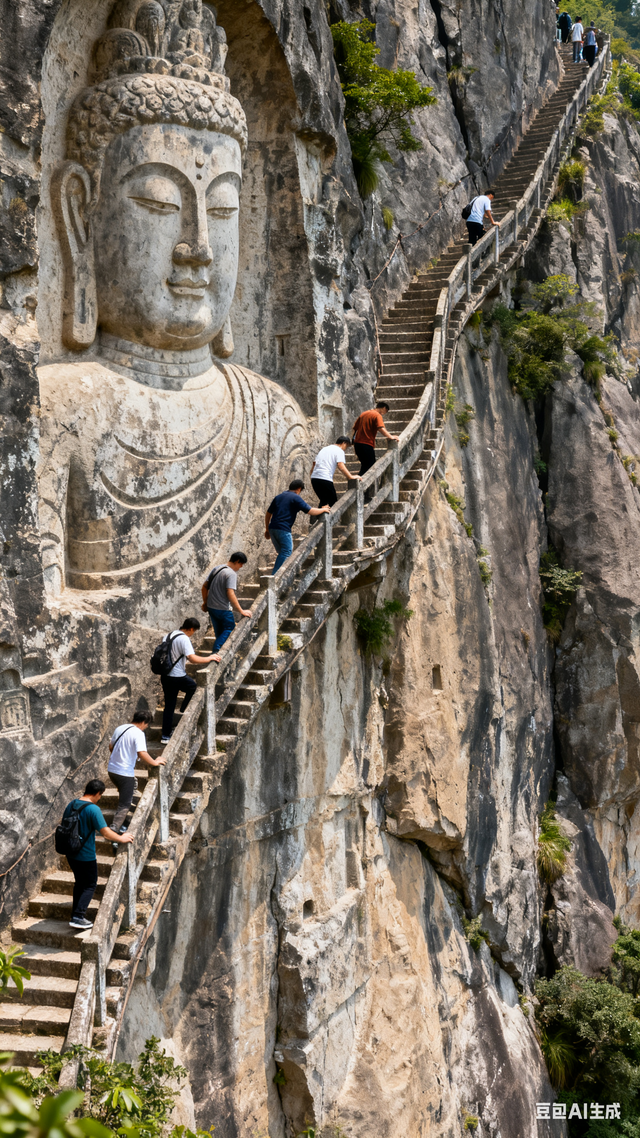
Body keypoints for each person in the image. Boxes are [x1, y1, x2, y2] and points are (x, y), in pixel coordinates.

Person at [63, 779, 133, 929]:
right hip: (85, 854)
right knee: (89, 884)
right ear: (97, 793)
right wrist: (121, 838)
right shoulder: (93, 809)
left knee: (80, 884)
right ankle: (78, 916)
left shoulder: (72, 804)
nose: (100, 798)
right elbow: (106, 833)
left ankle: (75, 915)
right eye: (101, 795)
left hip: (71, 852)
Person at [160, 618, 218, 744]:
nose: (193, 634)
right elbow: (192, 659)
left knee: (169, 706)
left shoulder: (168, 636)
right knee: (193, 687)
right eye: (194, 631)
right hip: (177, 675)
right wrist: (209, 658)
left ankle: (165, 736)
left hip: (165, 675)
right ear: (191, 629)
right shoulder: (184, 638)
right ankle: (184, 709)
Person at [108, 712, 165, 838]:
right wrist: (155, 762)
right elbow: (142, 753)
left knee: (129, 794)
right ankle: (114, 830)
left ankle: (125, 823)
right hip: (124, 773)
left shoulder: (120, 728)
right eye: (147, 725)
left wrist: (120, 756)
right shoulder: (139, 733)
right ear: (145, 722)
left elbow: (111, 746)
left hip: (112, 770)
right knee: (125, 803)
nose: (146, 727)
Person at [265, 481, 330, 574]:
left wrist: (267, 529)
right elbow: (310, 511)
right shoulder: (295, 497)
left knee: (282, 553)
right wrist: (323, 509)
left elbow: (268, 513)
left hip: (272, 528)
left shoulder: (278, 497)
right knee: (287, 552)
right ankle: (274, 577)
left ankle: (282, 575)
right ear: (299, 489)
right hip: (283, 529)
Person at [201, 553, 251, 657]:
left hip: (211, 608)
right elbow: (230, 593)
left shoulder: (217, 569)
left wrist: (205, 603)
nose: (241, 567)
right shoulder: (231, 573)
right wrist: (241, 611)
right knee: (230, 628)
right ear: (237, 561)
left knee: (219, 633)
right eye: (241, 564)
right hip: (223, 608)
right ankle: (215, 651)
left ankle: (219, 655)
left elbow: (204, 587)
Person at [310, 437, 360, 512]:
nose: (345, 449)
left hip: (315, 478)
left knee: (324, 501)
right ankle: (323, 522)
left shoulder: (324, 449)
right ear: (344, 443)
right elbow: (340, 465)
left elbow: (314, 464)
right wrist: (350, 476)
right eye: (346, 446)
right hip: (325, 478)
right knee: (332, 502)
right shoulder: (339, 451)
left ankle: (316, 521)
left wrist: (312, 476)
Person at [352, 403, 400, 480]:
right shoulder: (377, 415)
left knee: (365, 466)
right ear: (384, 408)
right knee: (370, 466)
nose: (384, 413)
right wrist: (391, 436)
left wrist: (353, 442)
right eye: (385, 411)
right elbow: (381, 428)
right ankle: (358, 483)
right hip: (366, 443)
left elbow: (355, 428)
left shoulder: (363, 414)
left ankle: (358, 483)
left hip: (357, 444)